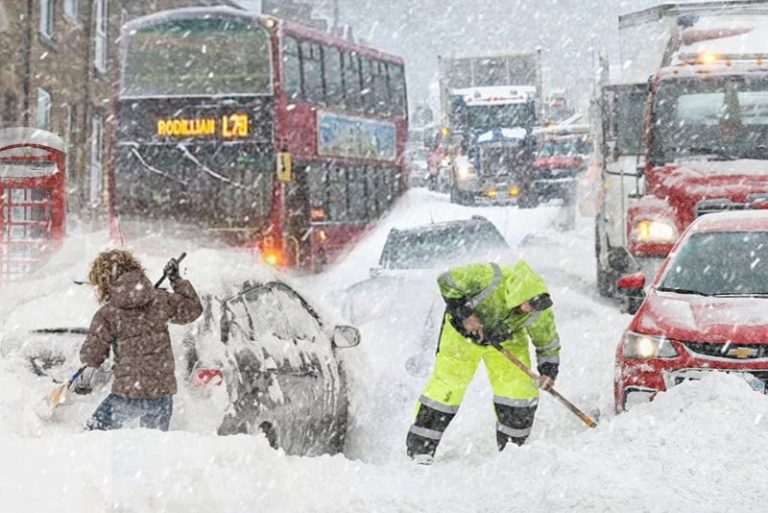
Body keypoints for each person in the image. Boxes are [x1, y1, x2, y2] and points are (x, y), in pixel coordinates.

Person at [406, 260, 561, 464]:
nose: (529, 311)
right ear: (516, 295)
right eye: (527, 306)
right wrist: (465, 314)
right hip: (462, 334)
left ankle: (514, 449)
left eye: (533, 308)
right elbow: (447, 280)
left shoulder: (538, 309)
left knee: (519, 390)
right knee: (447, 387)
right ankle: (421, 449)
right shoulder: (489, 277)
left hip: (506, 337)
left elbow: (547, 341)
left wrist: (548, 371)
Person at [79, 249, 203, 431]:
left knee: (91, 436)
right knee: (154, 450)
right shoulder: (159, 300)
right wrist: (176, 279)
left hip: (128, 394)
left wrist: (87, 369)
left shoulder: (108, 314)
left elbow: (92, 355)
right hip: (161, 394)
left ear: (104, 282)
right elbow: (193, 309)